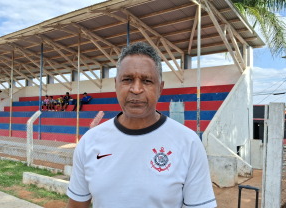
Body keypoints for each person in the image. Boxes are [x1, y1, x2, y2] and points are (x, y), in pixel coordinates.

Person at [66, 42, 216, 208]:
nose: (136, 89)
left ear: (160, 88)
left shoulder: (189, 144)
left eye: (147, 81)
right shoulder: (89, 143)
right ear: (116, 84)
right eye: (127, 79)